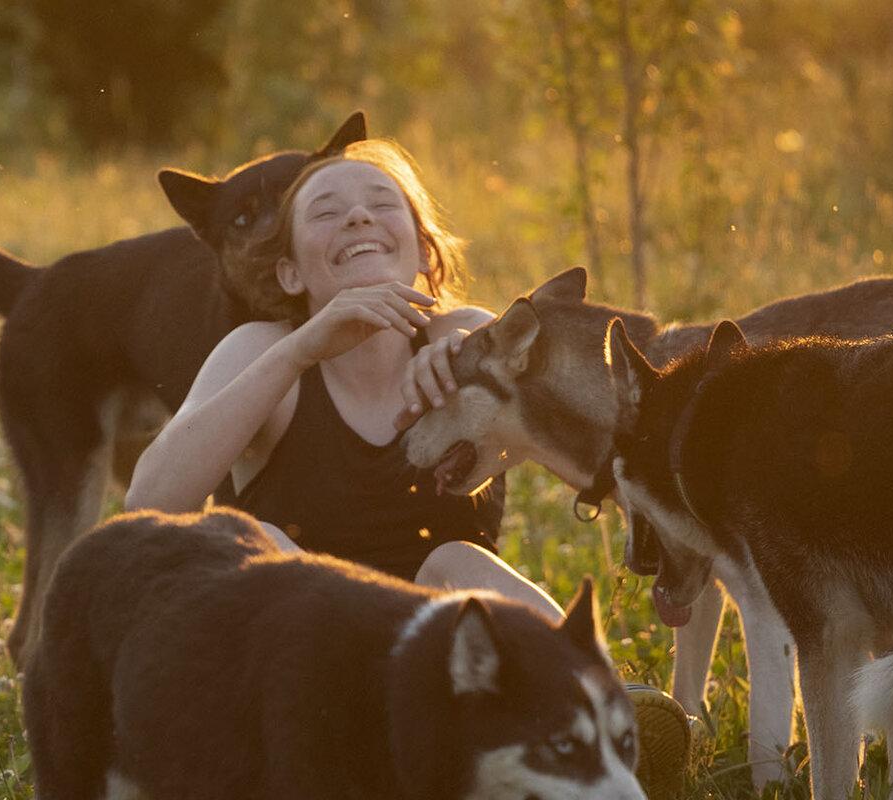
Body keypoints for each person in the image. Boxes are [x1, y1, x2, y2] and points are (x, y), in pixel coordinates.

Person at [122, 139, 690, 791]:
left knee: (457, 560)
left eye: (381, 204)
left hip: (444, 671)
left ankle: (589, 699)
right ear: (289, 274)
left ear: (424, 252)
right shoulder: (259, 350)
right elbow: (151, 504)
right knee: (268, 551)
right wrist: (299, 353)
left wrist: (459, 355)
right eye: (328, 212)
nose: (359, 218)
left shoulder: (469, 343)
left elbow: (568, 410)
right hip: (291, 676)